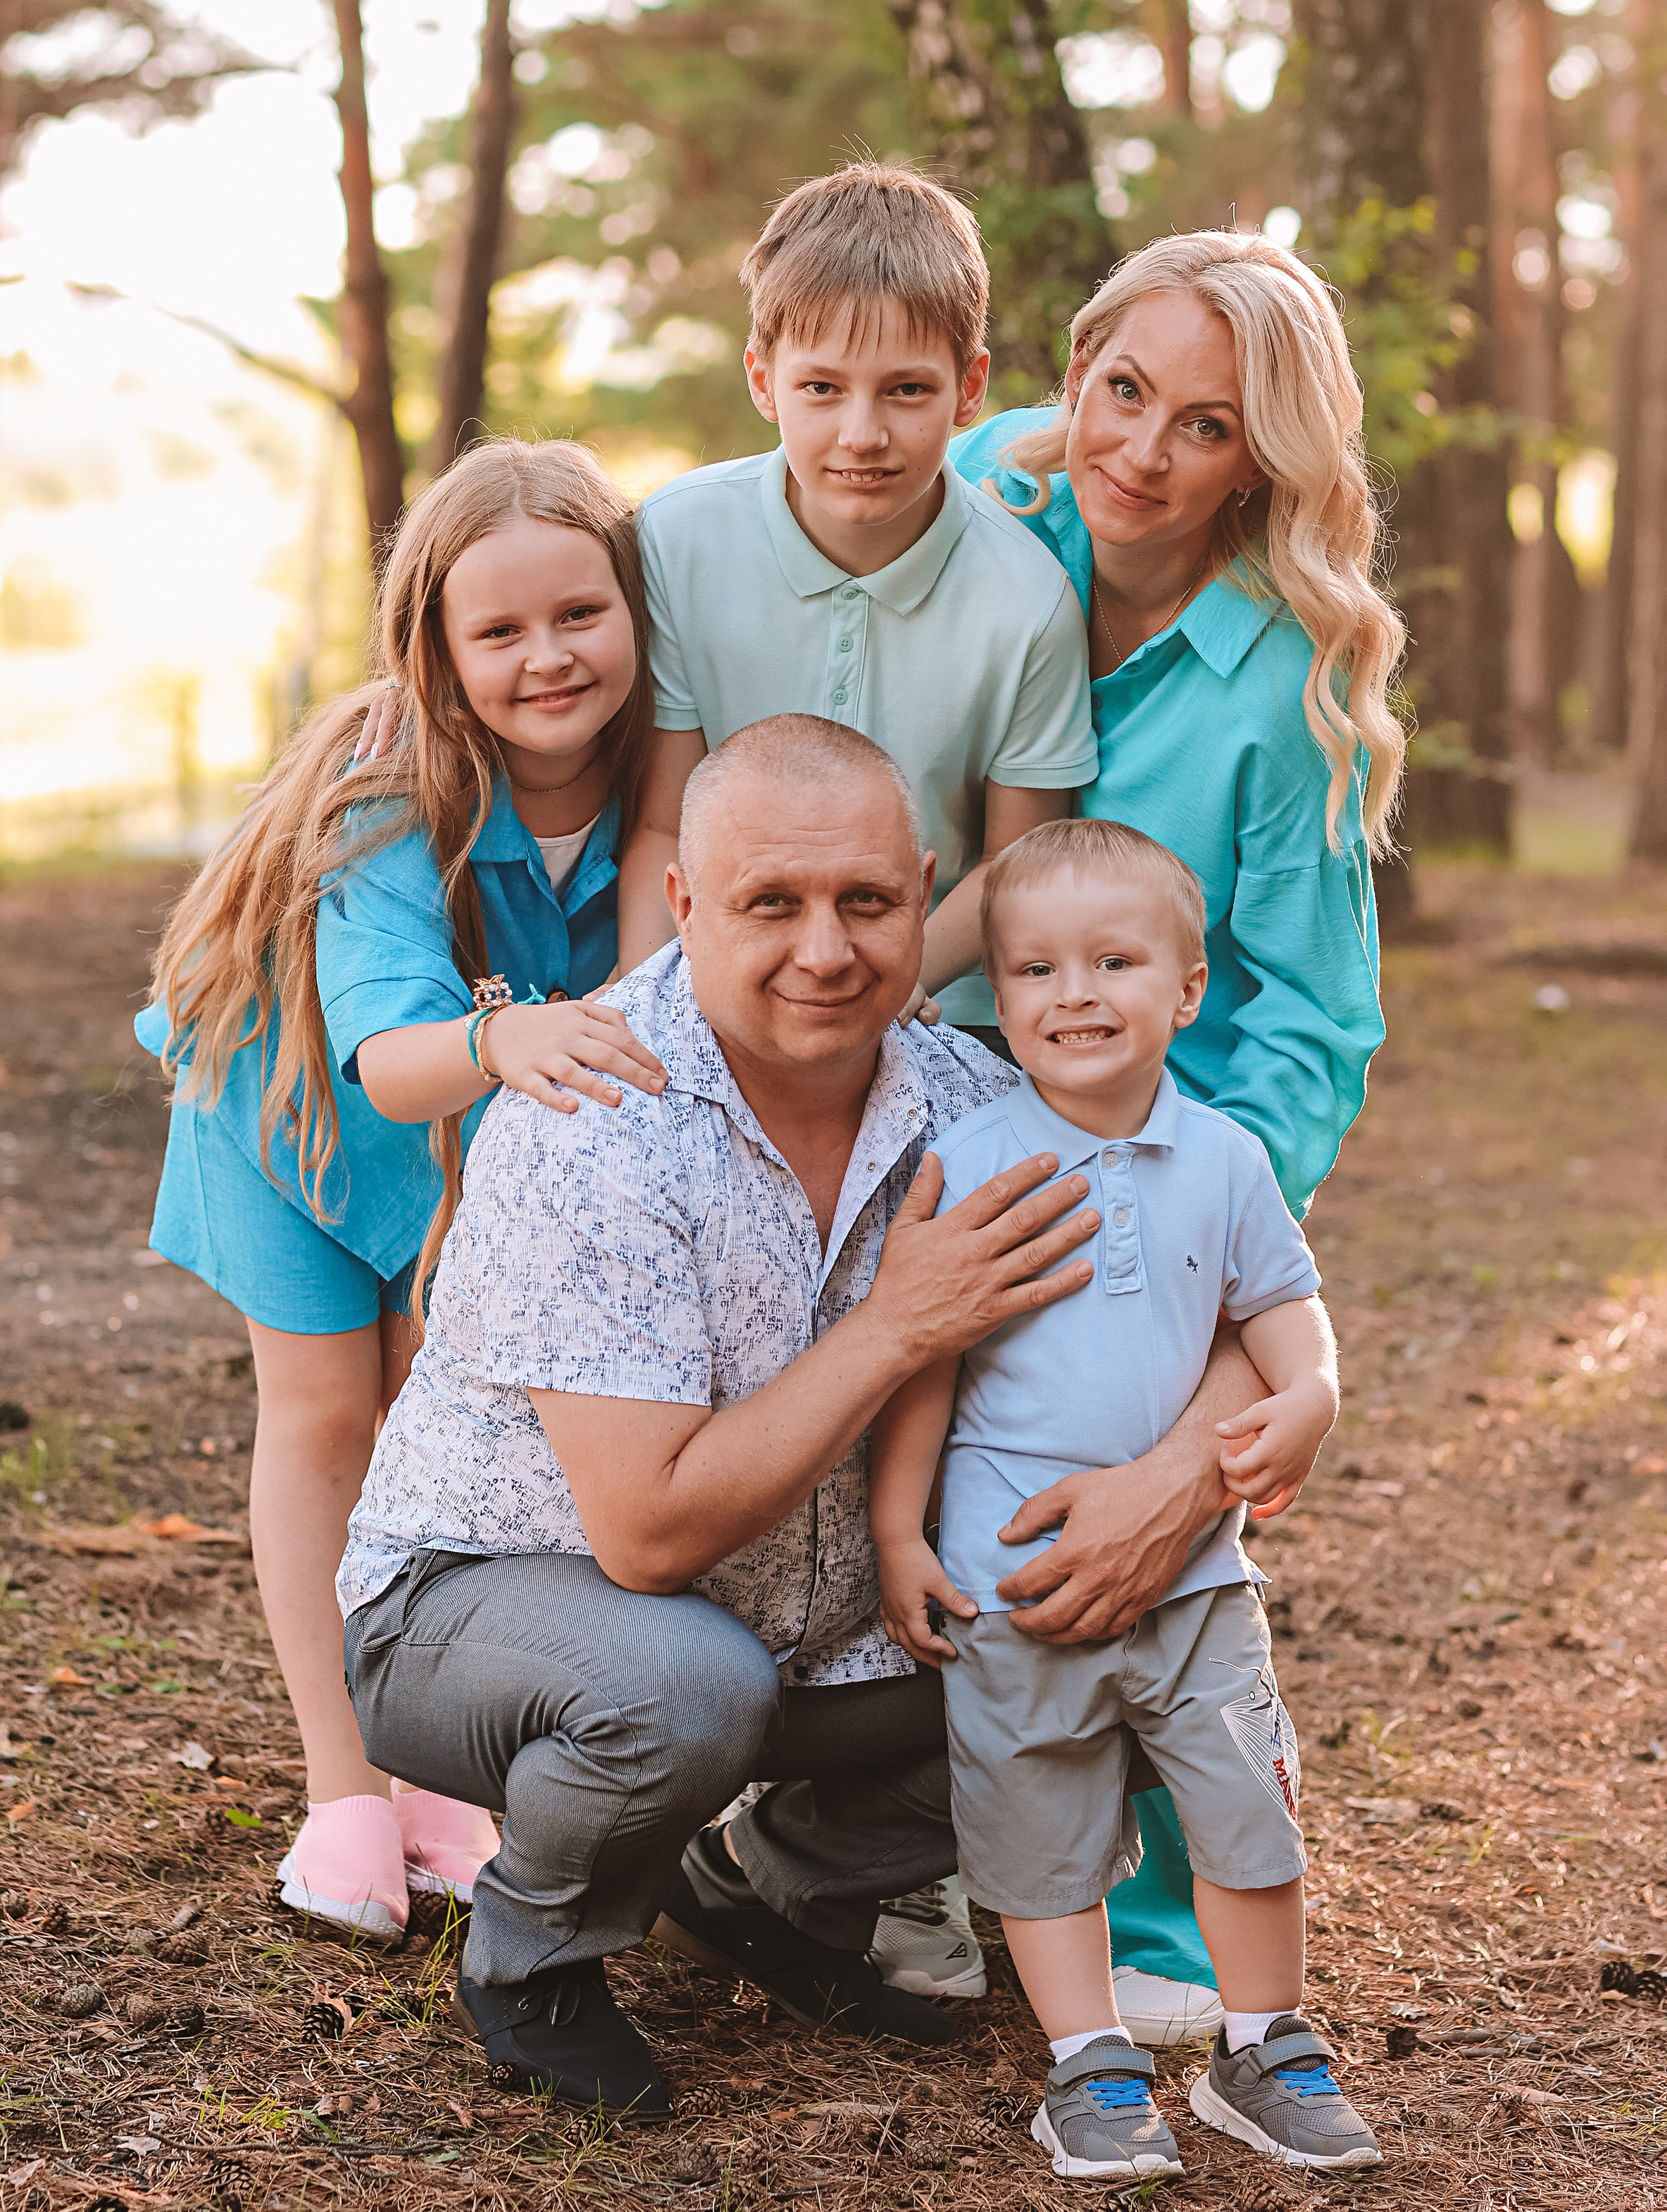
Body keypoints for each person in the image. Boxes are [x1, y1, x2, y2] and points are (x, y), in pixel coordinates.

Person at [339, 716, 1288, 2121]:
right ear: (682, 903)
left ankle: (759, 1879)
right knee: (677, 1684)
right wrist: (897, 1323)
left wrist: (1166, 1487)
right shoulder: (594, 1117)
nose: (826, 949)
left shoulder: (982, 1105)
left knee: (1139, 1654)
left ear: (922, 890)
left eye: (865, 901)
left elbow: (1218, 1320)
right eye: (768, 903)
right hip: (484, 1609)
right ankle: (532, 1948)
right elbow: (647, 1537)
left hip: (820, 1633)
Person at [947, 230, 1405, 2042]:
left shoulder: (1283, 678)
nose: (1139, 450)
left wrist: (1203, 1243)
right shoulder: (986, 508)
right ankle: (871, 1842)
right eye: (1118, 392)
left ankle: (1149, 1913)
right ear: (1073, 378)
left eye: (1202, 425)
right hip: (937, 1108)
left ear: (1259, 460)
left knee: (1135, 1507)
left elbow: (1312, 1015)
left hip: (1161, 1159)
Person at [137, 440, 666, 1946]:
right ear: (432, 650)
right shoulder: (391, 782)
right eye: (495, 632)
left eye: (579, 614)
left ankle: (431, 1775)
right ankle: (340, 1792)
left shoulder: (669, 780)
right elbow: (384, 1059)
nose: (546, 657)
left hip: (469, 1161)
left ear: (633, 610)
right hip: (295, 1110)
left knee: (433, 1440)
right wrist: (507, 1034)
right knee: (323, 1420)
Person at [871, 817, 1380, 2177]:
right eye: (1034, 971)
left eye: (1113, 962)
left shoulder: (1226, 1160)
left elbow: (1287, 1313)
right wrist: (897, 1528)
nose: (1074, 995)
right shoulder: (972, 1156)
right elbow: (925, 1364)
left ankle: (1263, 2041)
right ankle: (1087, 2064)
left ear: (1187, 989)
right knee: (1037, 1821)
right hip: (1011, 1569)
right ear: (999, 997)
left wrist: (1313, 1400)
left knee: (1243, 1805)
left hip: (1201, 1574)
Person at [615, 158, 1098, 1045]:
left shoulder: (1027, 600)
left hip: (935, 1007)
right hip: (716, 989)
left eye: (907, 390)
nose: (863, 434)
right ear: (763, 381)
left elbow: (1013, 859)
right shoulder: (677, 542)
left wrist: (890, 978)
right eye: (822, 388)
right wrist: (644, 1017)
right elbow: (660, 822)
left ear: (971, 387)